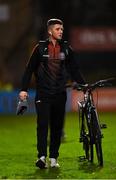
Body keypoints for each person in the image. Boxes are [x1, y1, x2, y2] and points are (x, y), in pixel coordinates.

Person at [19, 18, 85, 169]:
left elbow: (75, 70)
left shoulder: (67, 48)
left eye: (62, 29)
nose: (61, 31)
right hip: (43, 94)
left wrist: (83, 84)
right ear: (50, 31)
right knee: (42, 125)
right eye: (57, 29)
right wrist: (23, 89)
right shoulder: (39, 49)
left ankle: (54, 158)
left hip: (60, 94)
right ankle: (42, 157)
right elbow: (29, 70)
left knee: (56, 127)